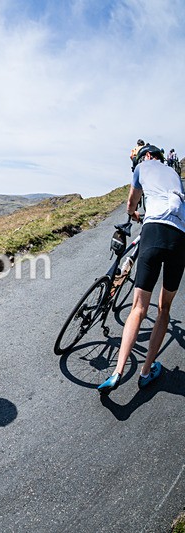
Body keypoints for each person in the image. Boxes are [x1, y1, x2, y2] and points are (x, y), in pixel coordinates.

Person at [98, 144, 185, 393]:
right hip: (180, 238)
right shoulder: (175, 175)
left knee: (138, 308)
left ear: (147, 157)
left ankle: (117, 373)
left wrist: (134, 214)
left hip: (154, 230)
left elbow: (130, 202)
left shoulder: (143, 166)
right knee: (164, 309)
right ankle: (146, 372)